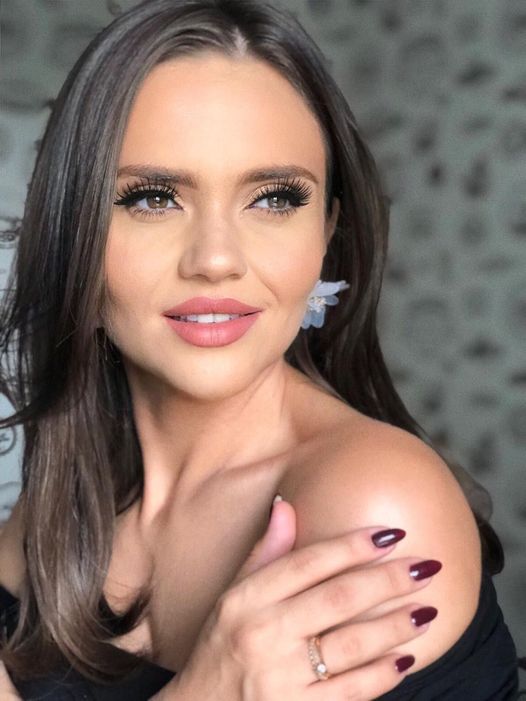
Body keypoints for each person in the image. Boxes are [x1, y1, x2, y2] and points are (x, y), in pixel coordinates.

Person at [0, 0, 519, 699]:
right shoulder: (59, 512)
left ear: (326, 232)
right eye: (152, 198)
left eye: (274, 198)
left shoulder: (371, 506)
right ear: (75, 236)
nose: (216, 259)